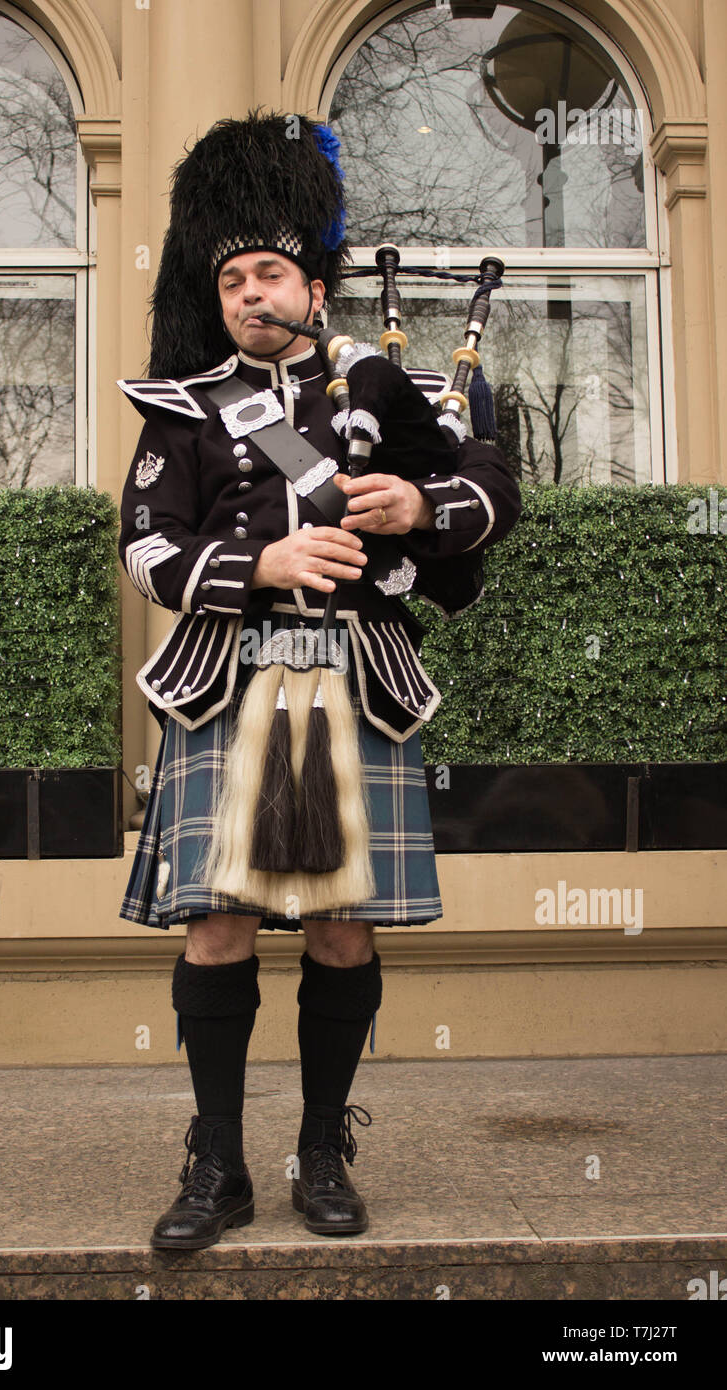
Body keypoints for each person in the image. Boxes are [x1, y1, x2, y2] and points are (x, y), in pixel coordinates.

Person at [116, 112, 521, 1250]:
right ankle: (216, 1164)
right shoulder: (184, 410)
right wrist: (263, 562)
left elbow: (489, 486)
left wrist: (418, 503)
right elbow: (146, 550)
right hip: (228, 682)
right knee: (216, 925)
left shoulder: (390, 393)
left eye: (272, 272)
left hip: (355, 678)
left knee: (344, 929)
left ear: (312, 282)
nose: (251, 293)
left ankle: (320, 1153)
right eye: (233, 277)